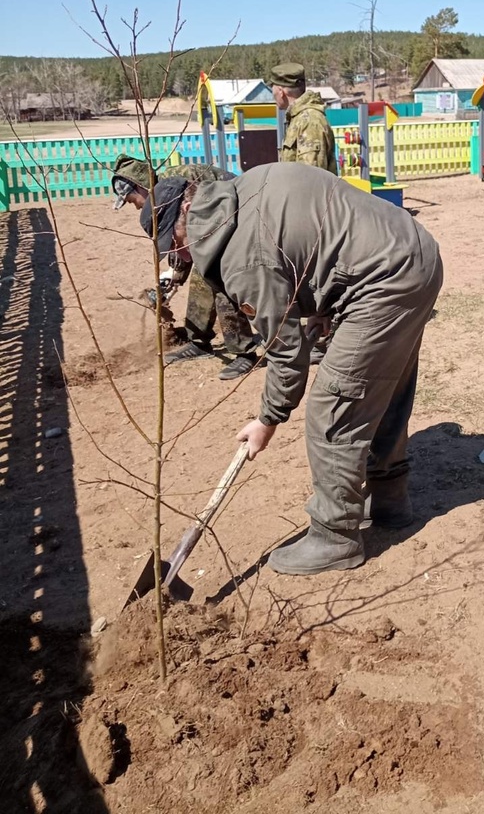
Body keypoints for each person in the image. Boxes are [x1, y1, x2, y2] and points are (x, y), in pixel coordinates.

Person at [139, 163, 443, 575]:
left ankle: (335, 537)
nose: (178, 255)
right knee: (379, 391)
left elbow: (285, 353)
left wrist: (267, 419)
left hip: (383, 281)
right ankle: (389, 501)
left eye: (173, 243)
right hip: (412, 253)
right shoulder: (242, 190)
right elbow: (319, 237)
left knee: (332, 408)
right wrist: (328, 304)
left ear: (186, 217)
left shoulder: (243, 258)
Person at [110, 155, 258, 380]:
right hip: (209, 231)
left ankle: (244, 353)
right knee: (201, 283)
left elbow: (190, 230)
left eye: (132, 200)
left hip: (234, 223)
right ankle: (199, 342)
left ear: (140, 187)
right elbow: (179, 240)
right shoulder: (162, 191)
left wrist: (177, 274)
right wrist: (172, 281)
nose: (135, 206)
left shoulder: (176, 182)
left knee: (216, 282)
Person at [269, 62, 338, 174]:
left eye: (272, 88)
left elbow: (311, 178)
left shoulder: (310, 121)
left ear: (281, 92)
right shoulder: (299, 118)